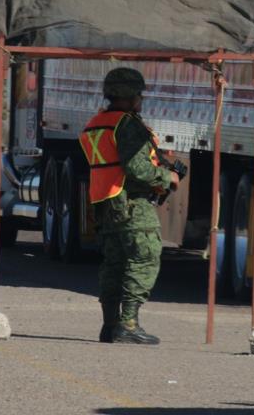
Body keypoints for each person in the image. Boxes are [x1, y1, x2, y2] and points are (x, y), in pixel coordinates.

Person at [79, 67, 179, 345]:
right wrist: (166, 176)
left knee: (115, 264)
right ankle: (129, 324)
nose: (141, 99)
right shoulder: (128, 124)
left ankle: (110, 326)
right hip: (132, 204)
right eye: (139, 94)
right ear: (132, 95)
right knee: (144, 259)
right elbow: (136, 168)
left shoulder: (97, 122)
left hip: (107, 204)